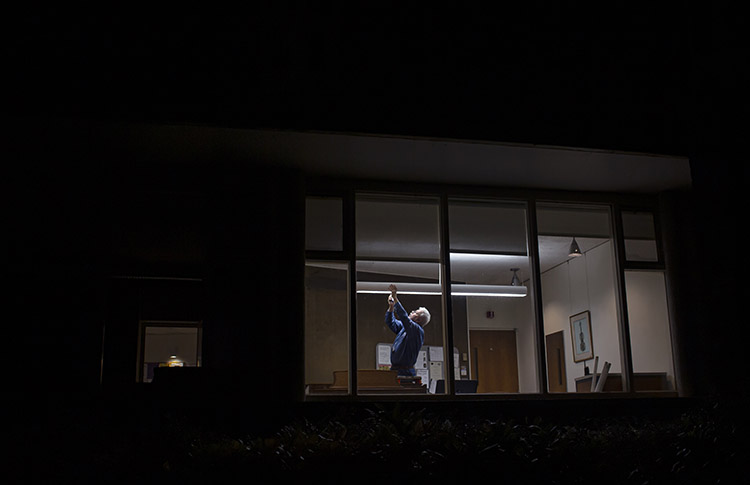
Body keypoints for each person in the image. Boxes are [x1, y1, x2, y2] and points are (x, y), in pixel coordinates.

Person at [385, 284, 431, 377]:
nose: (412, 312)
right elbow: (391, 323)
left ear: (418, 320)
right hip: (396, 370)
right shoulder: (405, 328)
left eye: (415, 312)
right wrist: (391, 307)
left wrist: (396, 299)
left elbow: (404, 317)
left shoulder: (417, 331)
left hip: (405, 372)